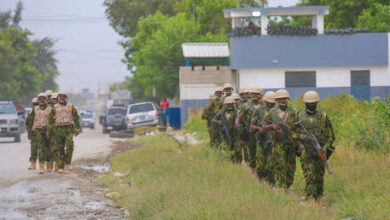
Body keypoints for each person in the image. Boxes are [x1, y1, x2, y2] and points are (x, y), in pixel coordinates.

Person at [297, 91, 335, 202]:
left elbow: (331, 136)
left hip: (320, 152)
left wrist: (326, 149)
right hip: (306, 152)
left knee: (319, 177)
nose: (311, 105)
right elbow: (294, 134)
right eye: (309, 103)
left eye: (313, 103)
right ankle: (310, 199)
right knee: (309, 177)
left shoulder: (323, 117)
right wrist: (304, 139)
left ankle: (318, 198)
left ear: (317, 103)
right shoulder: (300, 117)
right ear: (305, 103)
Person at [261, 89, 299, 189]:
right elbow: (263, 128)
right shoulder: (272, 113)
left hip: (291, 144)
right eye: (280, 99)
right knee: (279, 166)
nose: (282, 100)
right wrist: (272, 126)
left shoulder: (294, 111)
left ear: (287, 99)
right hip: (277, 144)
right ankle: (282, 188)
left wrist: (296, 137)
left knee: (291, 167)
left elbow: (299, 128)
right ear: (277, 100)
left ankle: (288, 186)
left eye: (284, 98)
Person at [47, 90, 80, 173]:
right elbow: (50, 120)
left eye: (63, 96)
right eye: (60, 96)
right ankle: (61, 166)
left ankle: (68, 163)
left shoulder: (71, 106)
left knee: (70, 145)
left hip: (68, 129)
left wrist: (78, 128)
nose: (61, 98)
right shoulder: (55, 107)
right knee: (59, 148)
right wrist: (49, 131)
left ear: (66, 98)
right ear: (58, 97)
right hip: (58, 129)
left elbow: (76, 117)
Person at [236, 87, 263, 169]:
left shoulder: (264, 104)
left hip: (263, 132)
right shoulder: (246, 105)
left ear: (260, 95)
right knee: (252, 150)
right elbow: (239, 117)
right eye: (253, 93)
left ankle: (261, 168)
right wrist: (237, 124)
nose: (255, 95)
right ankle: (253, 168)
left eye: (257, 94)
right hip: (251, 132)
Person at [251, 91, 276, 181]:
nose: (270, 105)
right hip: (261, 140)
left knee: (271, 163)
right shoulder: (259, 111)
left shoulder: (277, 112)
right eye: (268, 103)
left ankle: (270, 183)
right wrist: (259, 129)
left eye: (272, 103)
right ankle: (261, 181)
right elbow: (251, 126)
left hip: (273, 140)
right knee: (260, 162)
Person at [212, 97, 240, 162]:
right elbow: (213, 120)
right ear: (225, 104)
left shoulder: (237, 112)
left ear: (233, 104)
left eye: (231, 104)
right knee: (226, 149)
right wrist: (219, 122)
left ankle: (237, 164)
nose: (229, 105)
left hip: (235, 135)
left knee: (237, 151)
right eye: (228, 104)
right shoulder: (221, 113)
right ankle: (228, 162)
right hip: (225, 135)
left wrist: (238, 123)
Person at [29, 93, 52, 174]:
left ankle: (48, 164)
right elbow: (31, 121)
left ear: (46, 100)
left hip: (47, 130)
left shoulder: (50, 109)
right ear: (38, 100)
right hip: (38, 130)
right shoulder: (35, 109)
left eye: (43, 98)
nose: (42, 100)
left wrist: (49, 131)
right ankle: (41, 167)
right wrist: (29, 132)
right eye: (40, 99)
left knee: (48, 148)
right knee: (41, 148)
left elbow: (52, 121)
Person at [27, 97, 39, 170]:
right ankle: (33, 163)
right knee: (33, 148)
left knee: (43, 148)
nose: (35, 106)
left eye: (36, 104)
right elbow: (28, 123)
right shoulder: (31, 112)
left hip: (42, 131)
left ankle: (43, 163)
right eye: (34, 104)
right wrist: (29, 132)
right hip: (34, 131)